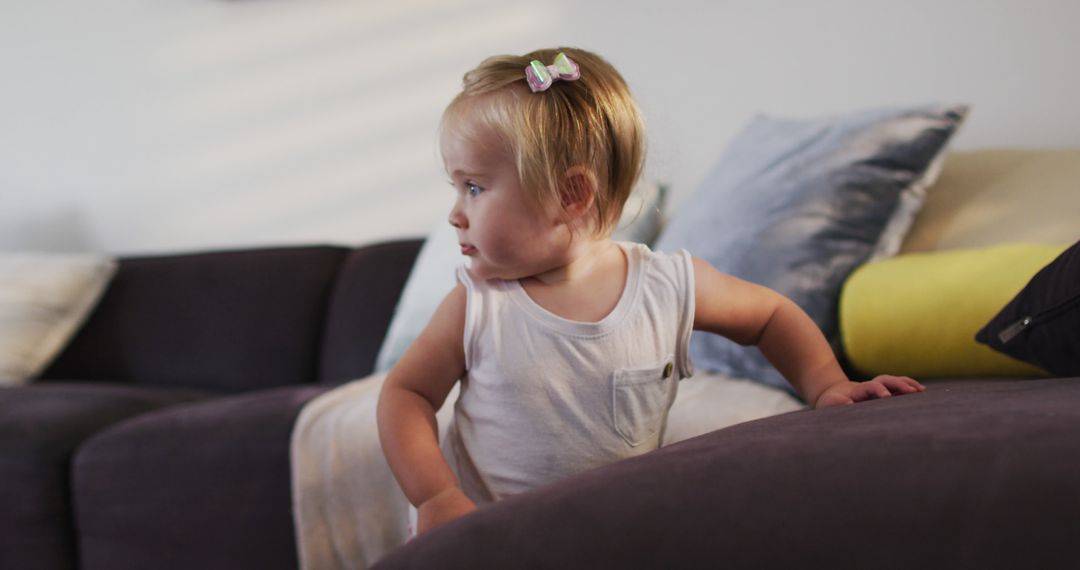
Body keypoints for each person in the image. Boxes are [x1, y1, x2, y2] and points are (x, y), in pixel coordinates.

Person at [376, 47, 925, 537]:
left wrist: (826, 384)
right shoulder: (478, 303)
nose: (453, 214)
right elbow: (407, 395)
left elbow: (770, 315)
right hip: (488, 542)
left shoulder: (665, 286)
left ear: (571, 195)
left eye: (473, 187)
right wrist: (436, 496)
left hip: (614, 535)